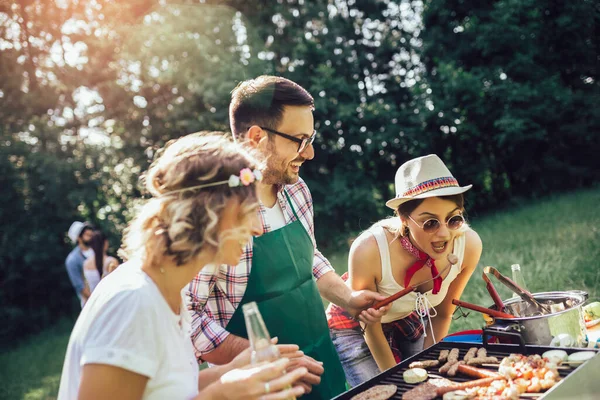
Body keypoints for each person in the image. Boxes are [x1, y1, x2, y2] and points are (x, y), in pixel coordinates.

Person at [58, 132, 307, 400]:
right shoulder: (133, 302)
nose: (258, 229)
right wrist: (221, 397)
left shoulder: (171, 295)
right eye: (248, 213)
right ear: (211, 213)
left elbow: (167, 391)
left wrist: (236, 369)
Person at [188, 76, 391, 400]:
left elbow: (307, 257)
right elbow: (189, 317)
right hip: (263, 386)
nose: (309, 153)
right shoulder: (216, 214)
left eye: (310, 138)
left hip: (322, 366)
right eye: (299, 140)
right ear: (256, 137)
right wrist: (263, 359)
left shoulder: (297, 190)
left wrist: (348, 299)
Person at [326, 154, 483, 387]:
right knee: (390, 390)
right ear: (404, 218)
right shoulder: (369, 249)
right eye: (430, 222)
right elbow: (371, 328)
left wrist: (431, 371)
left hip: (406, 317)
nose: (444, 234)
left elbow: (442, 313)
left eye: (453, 219)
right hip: (356, 325)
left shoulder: (468, 245)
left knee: (431, 384)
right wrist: (400, 384)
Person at [82, 230, 119, 300]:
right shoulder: (111, 261)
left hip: (93, 303)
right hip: (108, 302)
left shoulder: (85, 264)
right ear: (105, 243)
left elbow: (86, 287)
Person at [66, 221, 95, 307]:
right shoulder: (72, 260)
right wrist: (96, 301)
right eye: (85, 232)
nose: (90, 233)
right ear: (79, 238)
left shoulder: (98, 250)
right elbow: (80, 286)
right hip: (91, 304)